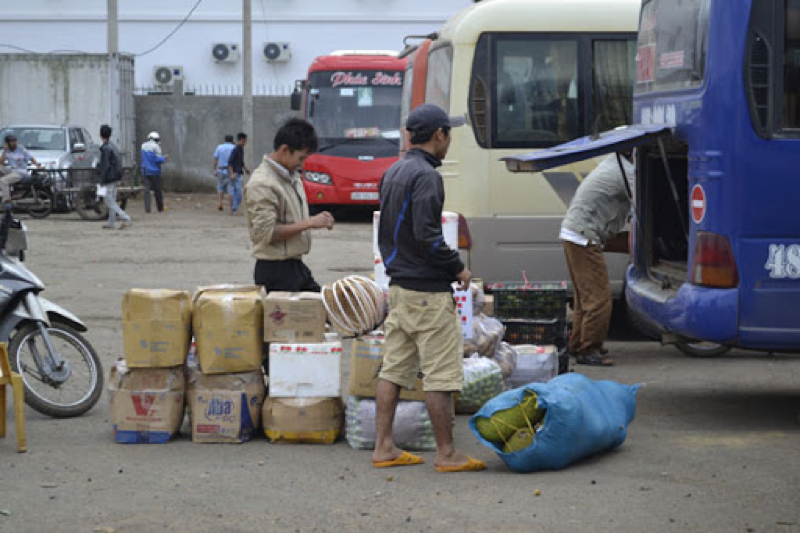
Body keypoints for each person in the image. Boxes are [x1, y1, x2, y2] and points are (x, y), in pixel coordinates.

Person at [373, 103, 485, 473]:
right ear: (439, 135)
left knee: (394, 369)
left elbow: (393, 233)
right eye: (448, 133)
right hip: (427, 292)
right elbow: (428, 237)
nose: (449, 140)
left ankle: (384, 447)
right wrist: (458, 269)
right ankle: (447, 453)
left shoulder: (393, 172)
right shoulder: (426, 176)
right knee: (440, 373)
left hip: (400, 288)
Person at [560, 151, 635, 366]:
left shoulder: (613, 163)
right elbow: (643, 200)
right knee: (599, 298)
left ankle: (578, 344)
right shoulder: (627, 171)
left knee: (584, 298)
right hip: (584, 236)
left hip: (574, 232)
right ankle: (588, 349)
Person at [244, 118, 334, 292]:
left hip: (295, 265)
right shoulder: (262, 183)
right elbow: (266, 233)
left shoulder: (291, 176)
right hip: (275, 271)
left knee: (326, 309)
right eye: (300, 158)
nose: (302, 164)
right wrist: (310, 223)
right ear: (284, 150)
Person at [98, 124, 132, 230]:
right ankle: (111, 222)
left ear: (100, 135)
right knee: (111, 199)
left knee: (108, 200)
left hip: (110, 177)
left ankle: (125, 218)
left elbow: (105, 166)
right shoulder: (112, 146)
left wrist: (102, 179)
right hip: (116, 176)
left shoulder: (105, 149)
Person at [1, 134, 43, 209]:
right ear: (7, 143)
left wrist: (38, 165)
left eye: (15, 141)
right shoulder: (6, 150)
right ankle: (4, 190)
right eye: (11, 142)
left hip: (20, 172)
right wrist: (4, 151)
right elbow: (1, 162)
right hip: (11, 170)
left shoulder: (21, 149)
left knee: (3, 181)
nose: (14, 143)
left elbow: (30, 157)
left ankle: (7, 200)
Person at [140, 131, 167, 213]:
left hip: (145, 171)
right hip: (154, 172)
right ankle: (160, 208)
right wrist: (164, 158)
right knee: (157, 190)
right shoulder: (156, 147)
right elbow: (157, 160)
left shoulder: (143, 145)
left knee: (146, 191)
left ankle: (147, 209)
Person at [226, 132, 251, 215]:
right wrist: (232, 173)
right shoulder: (235, 149)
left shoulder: (241, 149)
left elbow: (240, 161)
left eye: (245, 141)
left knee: (239, 193)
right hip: (234, 173)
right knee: (233, 192)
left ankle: (234, 208)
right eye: (244, 141)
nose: (245, 143)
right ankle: (232, 209)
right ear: (240, 140)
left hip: (238, 173)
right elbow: (229, 162)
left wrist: (245, 168)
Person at [213, 134, 235, 211]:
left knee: (220, 187)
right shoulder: (234, 148)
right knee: (230, 189)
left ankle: (220, 203)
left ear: (225, 140)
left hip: (221, 170)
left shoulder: (219, 147)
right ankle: (230, 207)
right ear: (232, 140)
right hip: (230, 170)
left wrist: (214, 169)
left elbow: (215, 159)